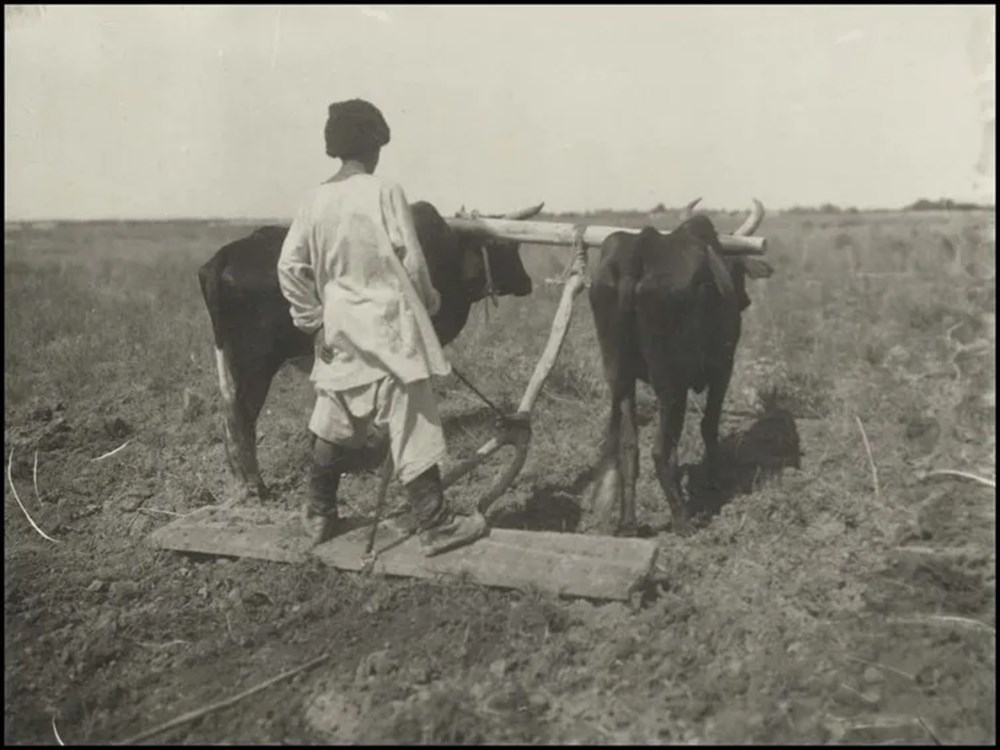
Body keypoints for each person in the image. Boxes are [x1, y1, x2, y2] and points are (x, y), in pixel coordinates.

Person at [277, 98, 486, 556]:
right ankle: (434, 522)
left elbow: (290, 267)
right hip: (389, 328)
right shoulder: (384, 190)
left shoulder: (314, 199)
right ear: (373, 145)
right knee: (413, 420)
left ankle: (318, 515)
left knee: (334, 418)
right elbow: (411, 260)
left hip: (339, 331)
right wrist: (429, 303)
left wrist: (312, 323)